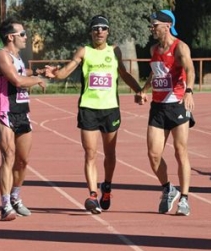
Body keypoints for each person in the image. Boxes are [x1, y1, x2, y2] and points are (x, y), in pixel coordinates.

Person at [42, 15, 144, 214]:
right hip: (88, 108)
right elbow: (66, 71)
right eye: (96, 28)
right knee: (90, 154)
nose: (99, 31)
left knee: (110, 154)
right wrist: (55, 73)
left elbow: (123, 74)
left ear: (108, 31)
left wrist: (139, 89)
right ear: (90, 32)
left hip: (110, 108)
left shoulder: (114, 51)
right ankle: (92, 195)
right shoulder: (84, 51)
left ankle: (107, 185)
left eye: (103, 28)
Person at [139, 10, 195, 216]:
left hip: (177, 105)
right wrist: (144, 90)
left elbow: (190, 69)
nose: (152, 29)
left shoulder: (180, 47)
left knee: (180, 151)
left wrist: (189, 91)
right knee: (153, 155)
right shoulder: (153, 49)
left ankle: (185, 199)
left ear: (167, 25)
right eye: (151, 25)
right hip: (158, 107)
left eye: (155, 25)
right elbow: (156, 72)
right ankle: (168, 189)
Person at [0, 17, 47, 221]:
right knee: (8, 156)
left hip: (23, 112)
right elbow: (16, 79)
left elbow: (22, 72)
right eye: (22, 34)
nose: (26, 37)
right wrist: (37, 79)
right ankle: (5, 204)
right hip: (4, 112)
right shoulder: (1, 55)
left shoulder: (17, 57)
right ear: (10, 37)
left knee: (23, 160)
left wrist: (39, 72)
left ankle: (15, 197)